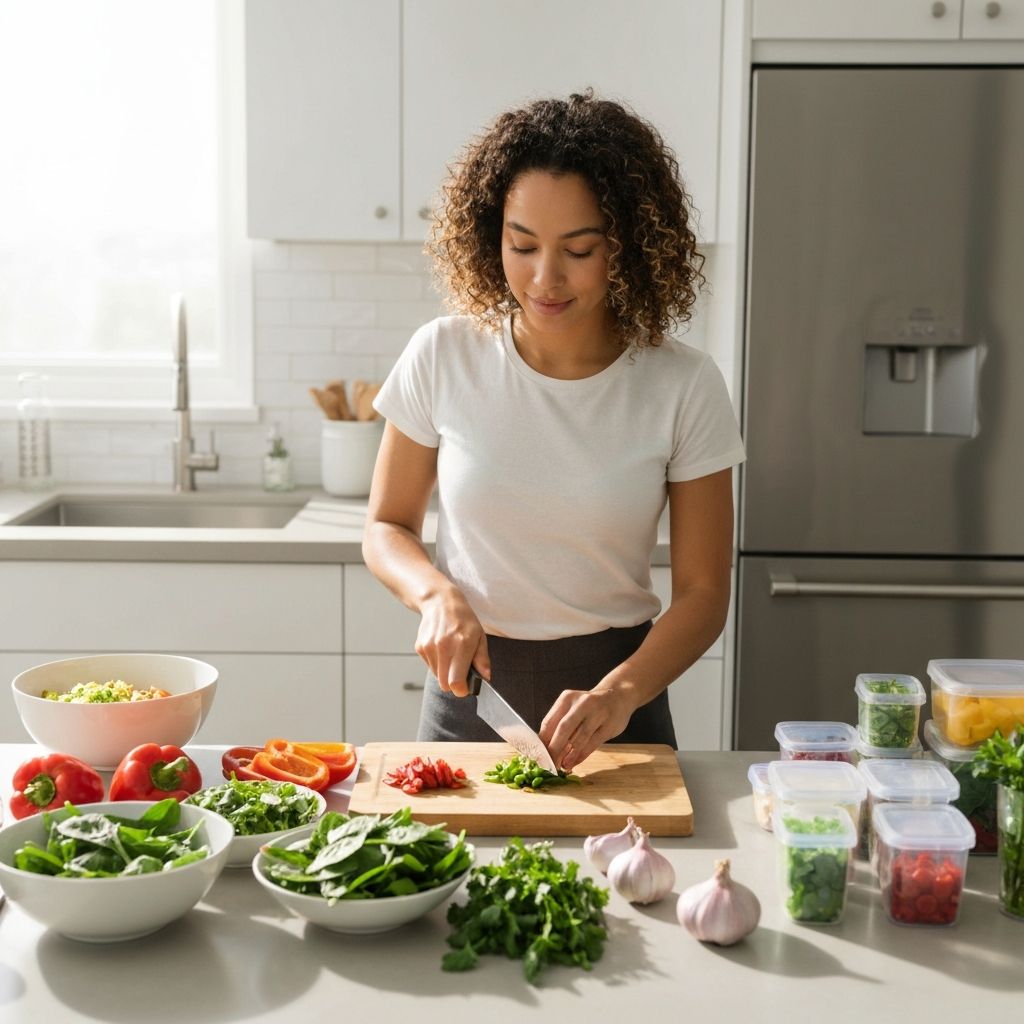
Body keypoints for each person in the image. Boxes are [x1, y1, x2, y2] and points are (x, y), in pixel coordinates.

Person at [363, 90, 745, 772]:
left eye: (579, 248)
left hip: (618, 710)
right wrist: (436, 595)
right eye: (522, 245)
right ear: (491, 236)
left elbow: (704, 593)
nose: (545, 278)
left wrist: (621, 692)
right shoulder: (442, 355)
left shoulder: (683, 385)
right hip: (468, 700)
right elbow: (386, 526)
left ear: (628, 244)